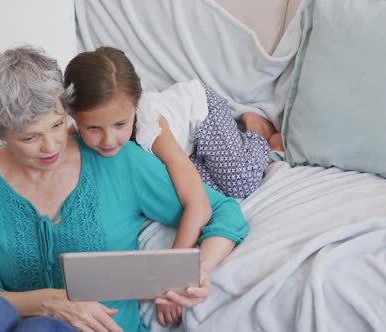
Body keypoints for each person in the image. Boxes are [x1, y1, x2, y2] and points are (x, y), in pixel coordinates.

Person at [0, 46, 249, 332]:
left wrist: (194, 273)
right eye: (29, 138)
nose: (50, 146)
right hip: (20, 321)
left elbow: (224, 212)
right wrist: (50, 302)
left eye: (56, 125)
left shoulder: (120, 163)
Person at [63, 46, 282, 327]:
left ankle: (258, 134)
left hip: (200, 116)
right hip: (176, 153)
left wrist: (168, 279)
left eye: (120, 124)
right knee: (194, 179)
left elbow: (199, 206)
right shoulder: (74, 137)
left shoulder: (151, 128)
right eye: (93, 128)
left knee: (240, 180)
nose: (108, 140)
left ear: (137, 105)